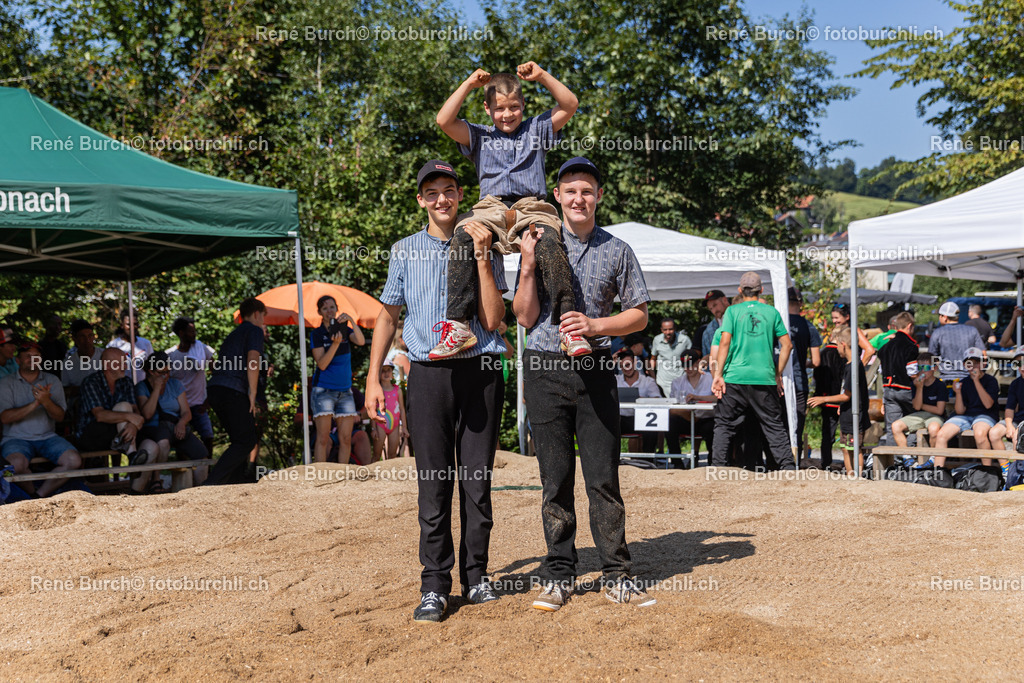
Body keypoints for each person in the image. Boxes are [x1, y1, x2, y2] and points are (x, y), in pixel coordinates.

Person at [366, 160, 507, 623]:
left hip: (481, 369)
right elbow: (388, 316)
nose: (442, 199)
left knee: (477, 481)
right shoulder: (404, 249)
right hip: (428, 372)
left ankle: (477, 575)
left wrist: (484, 258)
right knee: (434, 482)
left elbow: (492, 320)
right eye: (432, 192)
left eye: (449, 190)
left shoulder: (484, 241)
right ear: (422, 200)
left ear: (460, 195)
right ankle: (434, 584)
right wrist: (372, 378)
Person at [514, 156, 656, 611]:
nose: (579, 198)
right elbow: (523, 316)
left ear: (598, 198)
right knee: (554, 479)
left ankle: (617, 572)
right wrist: (529, 265)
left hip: (595, 369)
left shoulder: (618, 249)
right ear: (557, 196)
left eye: (587, 191)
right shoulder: (538, 243)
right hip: (543, 368)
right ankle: (559, 573)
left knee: (602, 478)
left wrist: (596, 326)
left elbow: (640, 313)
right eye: (571, 190)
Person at [432, 64, 589, 359]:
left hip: (532, 207)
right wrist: (467, 83)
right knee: (463, 236)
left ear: (523, 105)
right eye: (500, 109)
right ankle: (460, 324)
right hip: (491, 208)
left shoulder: (536, 129)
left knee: (551, 243)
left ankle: (569, 326)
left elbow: (570, 104)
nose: (507, 115)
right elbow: (444, 120)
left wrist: (541, 76)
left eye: (514, 107)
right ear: (487, 108)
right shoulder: (479, 135)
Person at [711, 272, 794, 470]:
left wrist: (718, 375)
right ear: (761, 290)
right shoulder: (771, 312)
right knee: (774, 425)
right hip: (764, 378)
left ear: (740, 290)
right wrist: (777, 373)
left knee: (724, 425)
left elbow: (724, 342)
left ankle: (717, 468)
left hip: (735, 377)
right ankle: (788, 469)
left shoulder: (732, 311)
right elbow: (787, 346)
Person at [0, 343, 82, 497]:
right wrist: (36, 403)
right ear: (18, 360)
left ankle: (40, 495)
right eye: (28, 356)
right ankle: (32, 493)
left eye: (36, 356)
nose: (33, 359)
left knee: (74, 460)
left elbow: (59, 417)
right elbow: (4, 418)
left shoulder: (52, 380)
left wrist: (46, 401)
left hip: (47, 437)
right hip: (15, 439)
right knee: (13, 466)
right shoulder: (6, 382)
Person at [76, 348, 157, 493]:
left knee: (151, 447)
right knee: (123, 407)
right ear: (107, 366)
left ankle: (135, 493)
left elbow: (136, 413)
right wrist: (129, 418)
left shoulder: (126, 382)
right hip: (93, 435)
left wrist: (133, 425)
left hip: (121, 435)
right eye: (120, 363)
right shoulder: (91, 382)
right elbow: (100, 415)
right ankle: (132, 455)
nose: (125, 366)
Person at [204, 297, 267, 486]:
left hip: (216, 388)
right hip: (233, 390)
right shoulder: (254, 330)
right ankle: (212, 484)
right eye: (263, 316)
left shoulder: (233, 334)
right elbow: (253, 360)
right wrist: (253, 393)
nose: (263, 322)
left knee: (239, 439)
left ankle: (235, 483)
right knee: (246, 441)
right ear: (256, 314)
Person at [135, 351, 207, 489]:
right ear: (151, 371)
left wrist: (181, 422)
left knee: (201, 454)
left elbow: (186, 411)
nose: (166, 376)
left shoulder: (175, 384)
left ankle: (202, 488)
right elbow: (147, 414)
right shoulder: (142, 387)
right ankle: (156, 480)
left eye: (168, 371)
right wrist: (156, 389)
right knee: (162, 443)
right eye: (162, 372)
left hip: (175, 425)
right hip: (153, 428)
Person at [310, 295, 366, 464]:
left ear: (337, 308)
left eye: (332, 307)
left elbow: (361, 341)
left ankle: (343, 478)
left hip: (345, 390)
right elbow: (322, 364)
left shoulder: (344, 329)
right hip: (323, 390)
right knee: (323, 438)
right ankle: (320, 476)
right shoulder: (317, 334)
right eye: (325, 308)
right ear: (320, 312)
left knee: (346, 439)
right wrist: (335, 344)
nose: (330, 311)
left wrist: (351, 321)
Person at [808, 326, 868, 474]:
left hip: (855, 415)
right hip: (848, 414)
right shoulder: (850, 365)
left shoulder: (854, 366)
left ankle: (858, 476)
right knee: (845, 448)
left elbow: (847, 395)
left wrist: (823, 399)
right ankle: (850, 475)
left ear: (843, 344)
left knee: (854, 449)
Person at [931, 347, 1000, 469]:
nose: (972, 366)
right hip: (966, 416)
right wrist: (957, 392)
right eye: (969, 363)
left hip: (986, 415)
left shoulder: (991, 381)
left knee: (979, 434)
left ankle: (988, 472)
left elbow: (988, 405)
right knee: (941, 434)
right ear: (964, 365)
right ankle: (938, 471)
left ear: (982, 363)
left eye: (975, 363)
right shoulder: (964, 382)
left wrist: (977, 382)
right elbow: (959, 411)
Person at [166, 316, 216, 457]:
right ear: (181, 333)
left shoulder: (202, 349)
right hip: (180, 408)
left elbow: (217, 371)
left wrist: (209, 399)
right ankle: (183, 473)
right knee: (181, 441)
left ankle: (209, 472)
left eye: (194, 331)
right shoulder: (170, 356)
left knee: (208, 436)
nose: (194, 334)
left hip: (198, 405)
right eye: (190, 331)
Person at [890, 352, 947, 462]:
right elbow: (916, 407)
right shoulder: (915, 384)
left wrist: (922, 405)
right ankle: (906, 457)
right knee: (896, 426)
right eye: (919, 367)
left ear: (934, 368)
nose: (922, 370)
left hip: (935, 417)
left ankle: (933, 457)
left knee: (934, 429)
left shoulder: (940, 385)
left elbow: (939, 411)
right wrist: (919, 388)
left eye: (926, 367)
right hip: (920, 415)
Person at [786, 288, 821, 455]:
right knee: (797, 425)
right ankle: (796, 463)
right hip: (799, 381)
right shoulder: (808, 326)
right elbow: (816, 361)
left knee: (780, 424)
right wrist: (801, 361)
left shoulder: (778, 323)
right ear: (800, 303)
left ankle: (777, 466)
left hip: (780, 381)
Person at [876, 311, 919, 443]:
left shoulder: (885, 347)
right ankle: (910, 454)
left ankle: (894, 459)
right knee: (916, 423)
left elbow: (882, 371)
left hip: (888, 389)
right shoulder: (911, 346)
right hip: (905, 389)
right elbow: (912, 373)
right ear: (910, 326)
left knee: (891, 427)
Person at [668, 348, 716, 464]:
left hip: (707, 419)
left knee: (712, 427)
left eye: (690, 365)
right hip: (686, 419)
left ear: (698, 362)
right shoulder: (677, 382)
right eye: (685, 365)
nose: (687, 369)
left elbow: (718, 398)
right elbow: (672, 405)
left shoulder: (711, 378)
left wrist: (698, 397)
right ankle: (676, 461)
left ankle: (713, 461)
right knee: (670, 423)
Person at [615, 351, 660, 453]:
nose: (626, 369)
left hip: (641, 418)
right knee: (609, 425)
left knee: (651, 429)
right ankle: (613, 460)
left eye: (628, 364)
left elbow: (657, 399)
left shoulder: (648, 381)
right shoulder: (615, 380)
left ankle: (648, 461)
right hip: (620, 419)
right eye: (622, 366)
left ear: (635, 363)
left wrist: (642, 400)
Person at [813, 329, 846, 469]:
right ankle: (849, 462)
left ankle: (826, 461)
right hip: (841, 396)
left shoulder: (822, 353)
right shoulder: (843, 355)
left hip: (824, 396)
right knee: (846, 432)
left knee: (827, 433)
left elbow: (816, 375)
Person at [929, 300, 984, 382]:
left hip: (946, 378)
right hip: (969, 378)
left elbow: (931, 357)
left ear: (945, 317)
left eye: (939, 315)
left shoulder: (938, 332)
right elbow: (982, 353)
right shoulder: (972, 330)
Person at [371, 360, 408, 462]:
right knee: (376, 454)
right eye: (383, 371)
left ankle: (390, 476)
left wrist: (404, 427)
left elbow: (402, 409)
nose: (386, 373)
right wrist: (373, 428)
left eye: (388, 370)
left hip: (394, 426)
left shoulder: (398, 390)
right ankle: (371, 476)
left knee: (392, 456)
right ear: (379, 373)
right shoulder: (377, 391)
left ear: (392, 373)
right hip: (380, 425)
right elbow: (373, 409)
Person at [107, 308, 154, 382]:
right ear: (122, 325)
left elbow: (152, 368)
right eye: (129, 324)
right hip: (121, 388)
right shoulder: (113, 346)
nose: (132, 327)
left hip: (141, 389)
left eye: (135, 324)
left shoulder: (146, 343)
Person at [651, 318, 692, 398]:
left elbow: (691, 358)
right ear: (661, 330)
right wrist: (653, 378)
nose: (668, 332)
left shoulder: (684, 340)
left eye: (670, 329)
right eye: (665, 330)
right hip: (663, 382)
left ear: (675, 329)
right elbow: (653, 358)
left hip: (681, 380)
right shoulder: (657, 340)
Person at [62, 319, 105, 392]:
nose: (87, 340)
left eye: (90, 336)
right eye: (82, 336)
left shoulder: (105, 355)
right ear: (74, 338)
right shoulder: (68, 363)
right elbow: (65, 389)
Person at [701, 290, 729, 357]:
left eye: (715, 305)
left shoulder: (741, 318)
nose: (714, 311)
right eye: (711, 309)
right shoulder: (708, 332)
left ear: (724, 300)